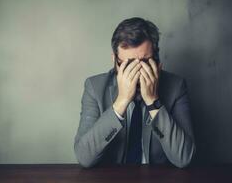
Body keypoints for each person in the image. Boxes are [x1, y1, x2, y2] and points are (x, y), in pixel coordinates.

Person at [74, 17, 196, 168]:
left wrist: (153, 102)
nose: (137, 73)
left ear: (157, 62)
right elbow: (84, 157)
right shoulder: (95, 87)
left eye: (145, 63)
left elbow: (184, 158)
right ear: (115, 61)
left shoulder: (176, 87)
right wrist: (121, 102)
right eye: (128, 65)